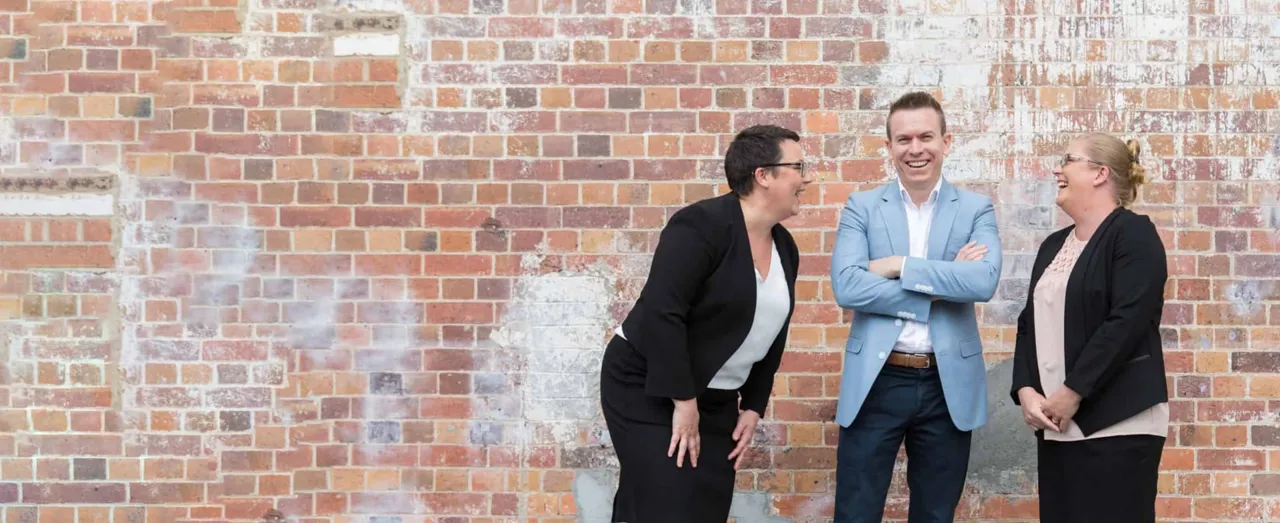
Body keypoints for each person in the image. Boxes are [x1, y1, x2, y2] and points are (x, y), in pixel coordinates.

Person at [598, 124, 811, 523]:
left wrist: (752, 405)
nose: (807, 177)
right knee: (666, 504)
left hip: (715, 399)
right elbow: (665, 312)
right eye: (798, 166)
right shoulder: (699, 227)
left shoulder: (784, 246)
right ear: (763, 175)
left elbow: (774, 328)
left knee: (701, 506)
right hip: (648, 387)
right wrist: (683, 401)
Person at [829, 91, 1003, 523]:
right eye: (903, 139)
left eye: (926, 136)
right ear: (889, 147)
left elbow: (982, 282)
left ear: (947, 141)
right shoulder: (863, 207)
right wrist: (944, 279)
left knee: (936, 514)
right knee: (855, 513)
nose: (915, 148)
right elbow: (848, 287)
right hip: (878, 378)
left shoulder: (976, 208)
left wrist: (896, 266)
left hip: (947, 385)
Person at [1010, 133, 1169, 523]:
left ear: (1100, 173)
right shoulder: (1053, 246)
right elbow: (1028, 324)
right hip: (1058, 425)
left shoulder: (1133, 234)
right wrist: (1026, 389)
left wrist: (1073, 391)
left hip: (1118, 424)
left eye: (1068, 159)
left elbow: (1126, 322)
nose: (1056, 169)